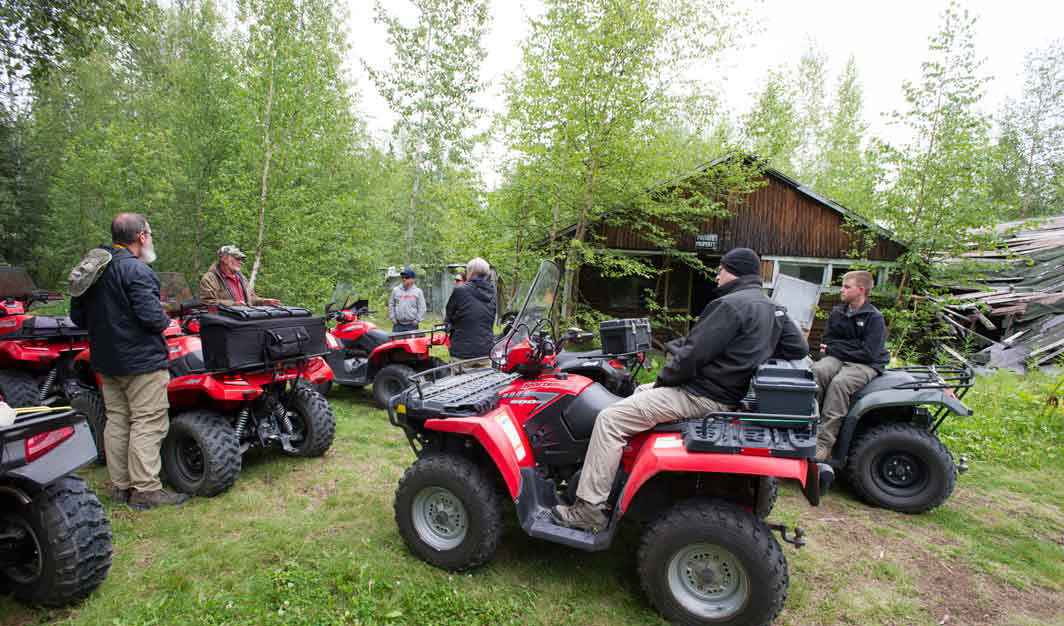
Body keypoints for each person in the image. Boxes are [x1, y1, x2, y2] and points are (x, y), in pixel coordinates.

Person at [552, 248, 808, 532]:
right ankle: (617, 477)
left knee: (610, 420)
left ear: (733, 270)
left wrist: (664, 379)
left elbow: (690, 357)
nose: (717, 275)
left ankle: (588, 510)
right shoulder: (773, 307)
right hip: (728, 394)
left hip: (700, 395)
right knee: (639, 392)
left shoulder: (730, 304)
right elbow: (798, 348)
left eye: (720, 270)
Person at [70, 213, 189, 511]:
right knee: (148, 422)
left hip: (106, 360)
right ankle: (146, 490)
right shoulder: (137, 271)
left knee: (119, 420)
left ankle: (121, 486)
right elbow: (151, 318)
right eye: (149, 233)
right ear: (141, 237)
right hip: (141, 363)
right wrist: (166, 319)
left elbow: (77, 317)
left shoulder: (94, 269)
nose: (149, 238)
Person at [811, 270, 890, 460]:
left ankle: (823, 444)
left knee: (840, 384)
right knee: (817, 371)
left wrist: (837, 347)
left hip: (867, 364)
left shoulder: (874, 318)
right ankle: (806, 428)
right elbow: (826, 340)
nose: (842, 290)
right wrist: (847, 346)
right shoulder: (838, 312)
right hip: (840, 358)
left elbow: (868, 352)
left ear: (861, 290)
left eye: (847, 287)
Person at [445, 258, 497, 359]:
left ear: (470, 272)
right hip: (485, 351)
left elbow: (449, 315)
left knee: (459, 375)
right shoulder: (492, 293)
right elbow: (490, 318)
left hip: (462, 353)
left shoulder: (460, 291)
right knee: (484, 375)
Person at [198, 245, 281, 307]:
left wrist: (264, 301)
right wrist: (233, 304)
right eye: (237, 258)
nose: (240, 262)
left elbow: (250, 299)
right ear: (224, 258)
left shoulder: (242, 278)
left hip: (243, 322)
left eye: (241, 260)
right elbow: (208, 302)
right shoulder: (210, 278)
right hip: (223, 324)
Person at [389, 266, 426, 332]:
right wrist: (393, 318)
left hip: (412, 325)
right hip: (398, 325)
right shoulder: (395, 290)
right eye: (403, 277)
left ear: (413, 279)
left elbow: (422, 307)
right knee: (397, 342)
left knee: (412, 342)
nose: (404, 279)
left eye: (407, 277)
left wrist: (417, 320)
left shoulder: (418, 292)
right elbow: (391, 305)